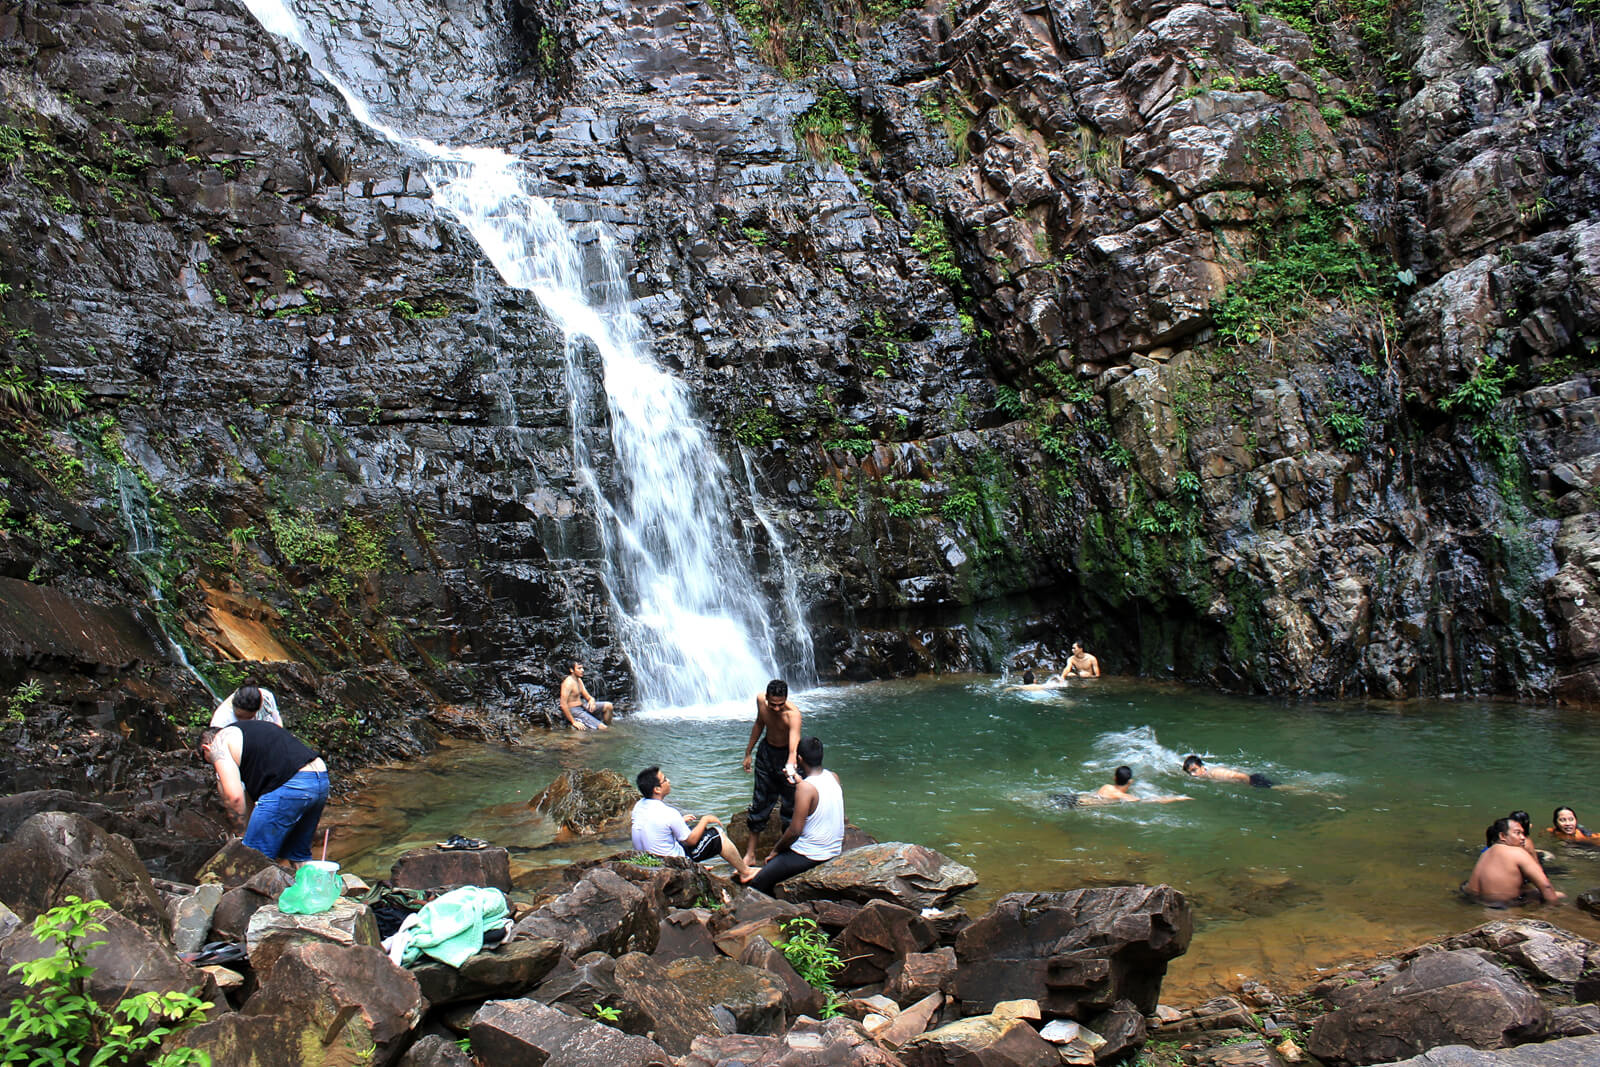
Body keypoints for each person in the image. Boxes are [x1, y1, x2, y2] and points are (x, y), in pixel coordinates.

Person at [199, 704, 329, 868]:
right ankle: (311, 890)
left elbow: (234, 797)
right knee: (298, 853)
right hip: (319, 778)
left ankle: (259, 893)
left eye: (209, 761)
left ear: (206, 748)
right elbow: (250, 799)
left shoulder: (218, 743)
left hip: (291, 785)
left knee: (253, 857)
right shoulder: (248, 732)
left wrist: (241, 836)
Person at [630, 766, 760, 883]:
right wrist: (705, 820)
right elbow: (691, 841)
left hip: (648, 862)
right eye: (665, 779)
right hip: (672, 865)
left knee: (690, 828)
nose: (668, 781)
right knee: (716, 834)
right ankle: (745, 872)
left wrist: (680, 820)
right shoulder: (668, 813)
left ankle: (698, 867)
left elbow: (657, 827)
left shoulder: (639, 806)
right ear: (657, 789)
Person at [749, 737, 843, 896]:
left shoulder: (805, 788)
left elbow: (795, 831)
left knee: (758, 883)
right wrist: (798, 781)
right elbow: (817, 791)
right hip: (834, 849)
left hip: (812, 854)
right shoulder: (833, 776)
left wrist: (775, 851)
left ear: (799, 759)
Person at [741, 678, 800, 865]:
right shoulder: (760, 701)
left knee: (790, 805)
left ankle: (786, 850)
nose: (776, 709)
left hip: (785, 754)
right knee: (760, 801)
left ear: (786, 699)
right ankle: (750, 854)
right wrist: (748, 752)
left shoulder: (793, 715)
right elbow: (759, 724)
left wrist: (791, 764)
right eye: (773, 704)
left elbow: (793, 746)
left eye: (780, 704)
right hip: (766, 753)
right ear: (766, 698)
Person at [1464, 817, 1564, 905]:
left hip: (1475, 901)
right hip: (1502, 905)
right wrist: (1553, 910)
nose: (1523, 837)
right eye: (1517, 833)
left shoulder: (1486, 852)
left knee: (1528, 890)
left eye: (1523, 833)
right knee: (1560, 895)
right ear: (1502, 836)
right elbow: (1546, 886)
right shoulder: (1517, 852)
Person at [1057, 766, 1189, 807]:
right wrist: (1177, 798)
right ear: (1130, 781)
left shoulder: (1106, 787)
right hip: (1076, 807)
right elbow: (1155, 800)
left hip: (1072, 798)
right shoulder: (1126, 797)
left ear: (1114, 778)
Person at [560, 660, 613, 731]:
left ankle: (607, 725)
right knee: (603, 728)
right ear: (571, 670)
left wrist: (592, 701)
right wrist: (573, 722)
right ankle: (603, 728)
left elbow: (588, 697)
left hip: (583, 706)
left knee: (609, 706)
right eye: (579, 668)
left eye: (582, 668)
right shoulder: (568, 683)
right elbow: (563, 705)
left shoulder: (579, 680)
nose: (582, 670)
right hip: (574, 711)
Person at [210, 683, 282, 727]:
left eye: (250, 717)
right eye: (239, 717)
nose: (244, 720)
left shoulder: (266, 697)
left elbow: (276, 719)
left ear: (260, 706)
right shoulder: (221, 721)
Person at [1183, 754, 1274, 789]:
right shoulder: (1204, 774)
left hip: (1253, 780)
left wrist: (1250, 785)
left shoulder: (1214, 773)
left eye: (1194, 770)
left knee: (1281, 788)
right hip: (1251, 779)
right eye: (1189, 772)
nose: (1192, 774)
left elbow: (1241, 775)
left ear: (1202, 768)